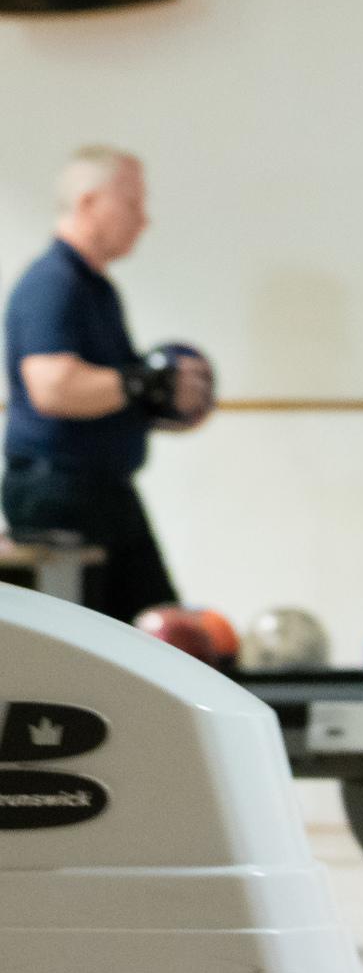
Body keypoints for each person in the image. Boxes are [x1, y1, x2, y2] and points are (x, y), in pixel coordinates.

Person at [2, 146, 214, 623]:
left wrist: (165, 401)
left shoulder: (94, 287)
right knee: (111, 645)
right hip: (58, 493)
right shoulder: (52, 283)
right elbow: (53, 388)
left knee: (160, 631)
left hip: (99, 490)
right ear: (90, 203)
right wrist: (148, 383)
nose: (144, 219)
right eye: (133, 203)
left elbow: (111, 389)